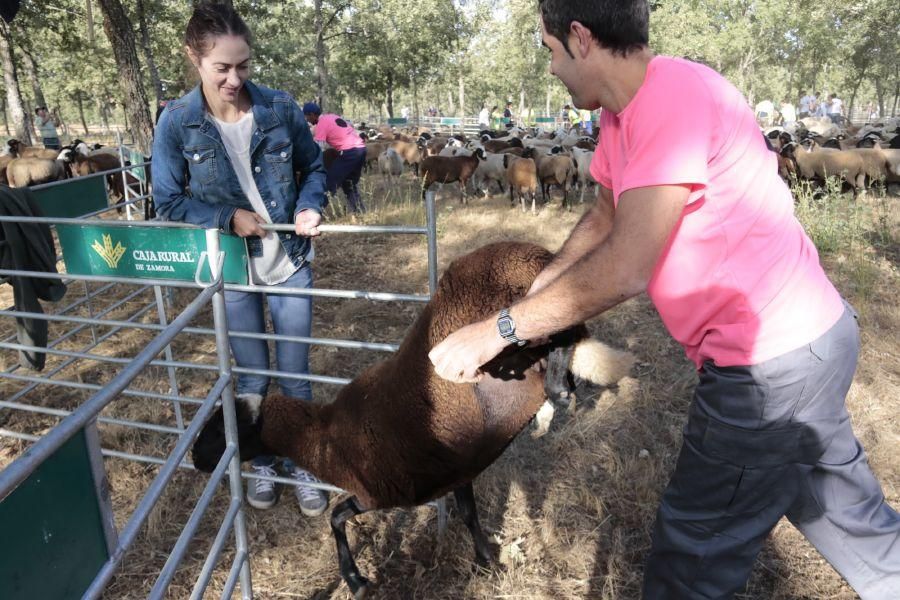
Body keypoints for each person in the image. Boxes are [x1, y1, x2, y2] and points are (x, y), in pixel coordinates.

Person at [428, 1, 900, 598]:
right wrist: (539, 296)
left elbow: (626, 267)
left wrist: (499, 329)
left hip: (770, 369)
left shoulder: (673, 100)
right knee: (856, 527)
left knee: (691, 563)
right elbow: (605, 215)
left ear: (580, 38)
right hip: (807, 349)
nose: (550, 70)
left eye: (549, 51)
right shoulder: (622, 114)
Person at [152, 1, 331, 517]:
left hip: (289, 260)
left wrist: (309, 204)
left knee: (295, 374)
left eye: (244, 65)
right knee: (252, 375)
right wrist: (227, 216)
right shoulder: (177, 123)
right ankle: (262, 462)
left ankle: (301, 460)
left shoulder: (280, 108)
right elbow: (168, 200)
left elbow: (312, 167)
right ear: (194, 58)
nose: (235, 78)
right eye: (222, 67)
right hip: (233, 270)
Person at [302, 102, 367, 214]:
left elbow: (318, 148)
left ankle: (314, 212)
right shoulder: (332, 117)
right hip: (361, 149)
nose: (307, 119)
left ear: (312, 114)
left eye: (306, 116)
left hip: (350, 152)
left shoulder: (321, 124)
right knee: (349, 183)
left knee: (330, 182)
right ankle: (359, 211)